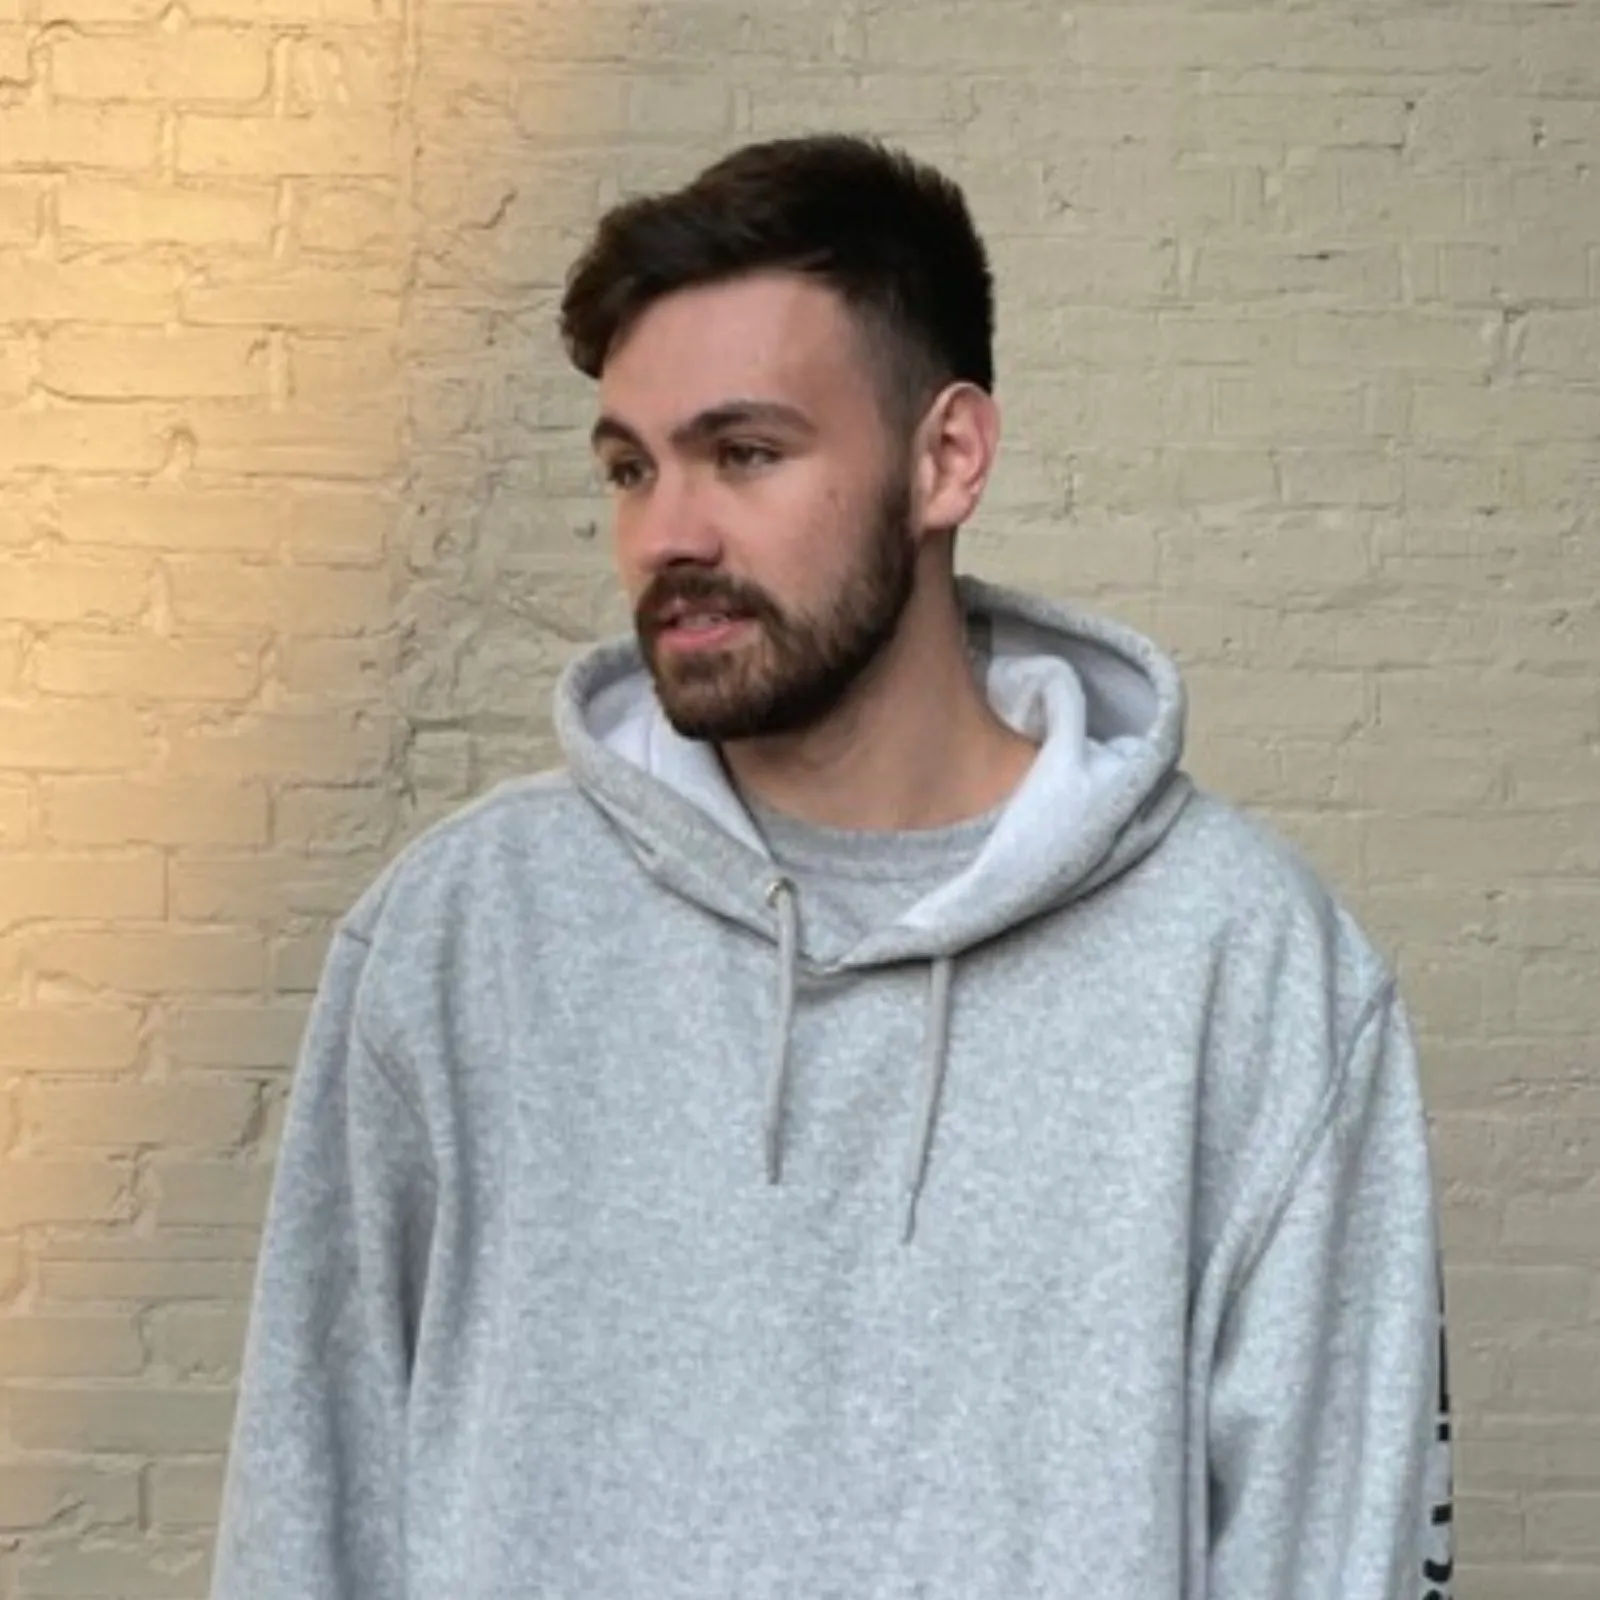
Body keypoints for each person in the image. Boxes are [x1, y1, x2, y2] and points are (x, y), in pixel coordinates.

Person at [210, 135, 1455, 1599]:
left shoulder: (1247, 972)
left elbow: (1339, 1553)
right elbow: (311, 1520)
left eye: (743, 454)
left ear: (948, 458)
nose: (666, 534)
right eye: (630, 467)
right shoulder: (463, 945)